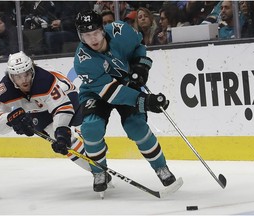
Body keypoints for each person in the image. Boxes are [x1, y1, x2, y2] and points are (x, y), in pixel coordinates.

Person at [73, 10, 177, 194]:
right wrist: (146, 101)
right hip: (97, 93)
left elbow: (139, 46)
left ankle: (161, 167)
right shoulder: (82, 60)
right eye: (87, 35)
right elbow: (112, 93)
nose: (93, 39)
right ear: (80, 36)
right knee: (91, 128)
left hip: (126, 84)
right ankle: (99, 172)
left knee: (136, 126)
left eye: (96, 33)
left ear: (103, 29)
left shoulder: (120, 30)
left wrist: (141, 66)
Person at [0, 51, 91, 173]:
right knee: (61, 140)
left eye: (26, 74)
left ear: (32, 70)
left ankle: (91, 145)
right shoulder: (3, 90)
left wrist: (62, 132)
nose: (24, 81)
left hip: (67, 94)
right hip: (38, 107)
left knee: (71, 131)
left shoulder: (45, 79)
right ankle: (96, 171)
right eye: (18, 77)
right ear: (11, 77)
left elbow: (63, 107)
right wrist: (10, 119)